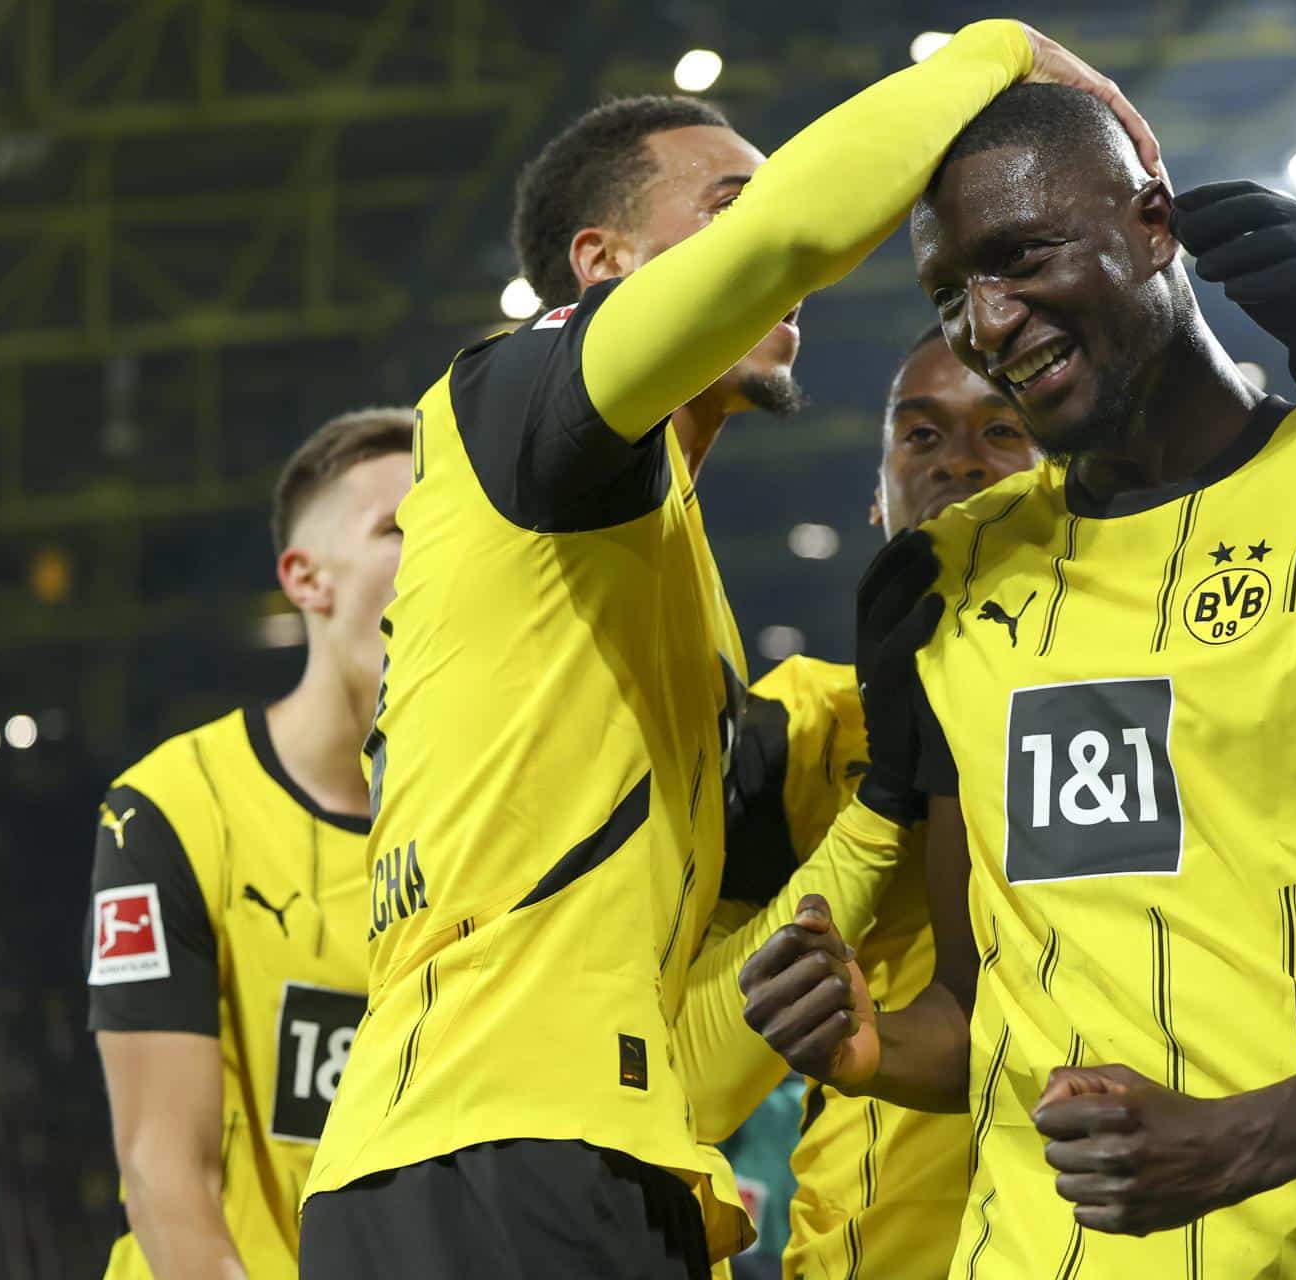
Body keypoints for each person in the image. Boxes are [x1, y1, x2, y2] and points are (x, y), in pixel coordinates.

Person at [299, 25, 1162, 1279]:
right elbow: (793, 238)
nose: (774, 257)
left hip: (564, 1153)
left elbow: (692, 1031)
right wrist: (991, 55)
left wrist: (880, 807)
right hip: (497, 1154)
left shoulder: (646, 570)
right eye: (723, 203)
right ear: (603, 263)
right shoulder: (514, 398)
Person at [741, 84, 1296, 1277]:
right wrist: (869, 1041)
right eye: (951, 294)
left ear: (1155, 223)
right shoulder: (958, 577)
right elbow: (975, 1006)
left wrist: (1234, 1142)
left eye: (1022, 255)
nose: (988, 321)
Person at [85, 408, 412, 1279]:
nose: (436, 559)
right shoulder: (170, 809)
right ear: (307, 580)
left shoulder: (500, 821)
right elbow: (162, 1176)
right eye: (398, 529)